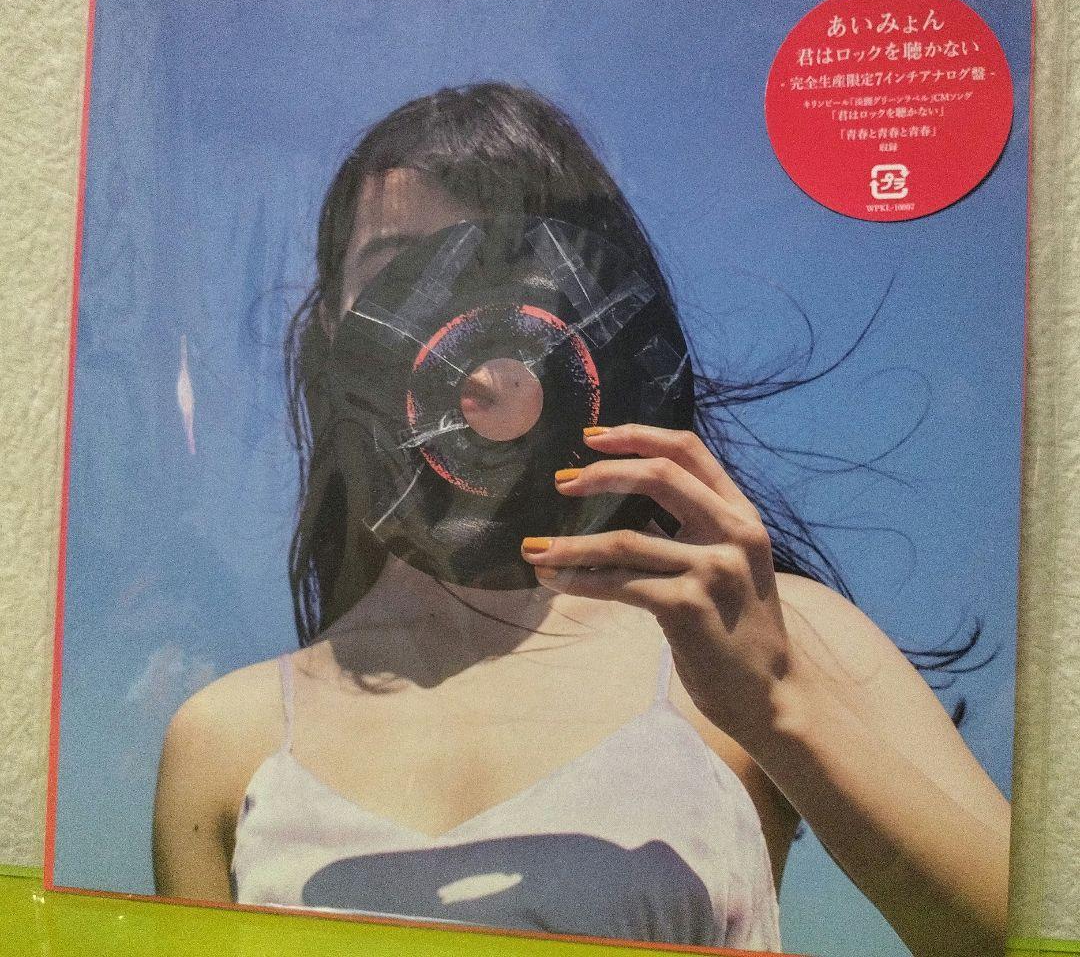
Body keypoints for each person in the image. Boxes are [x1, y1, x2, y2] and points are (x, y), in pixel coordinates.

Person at [152, 83, 1011, 957]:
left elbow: (1036, 932)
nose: (452, 315)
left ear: (590, 301)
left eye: (502, 261)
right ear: (334, 331)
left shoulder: (759, 630)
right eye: (398, 267)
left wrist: (779, 708)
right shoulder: (229, 737)